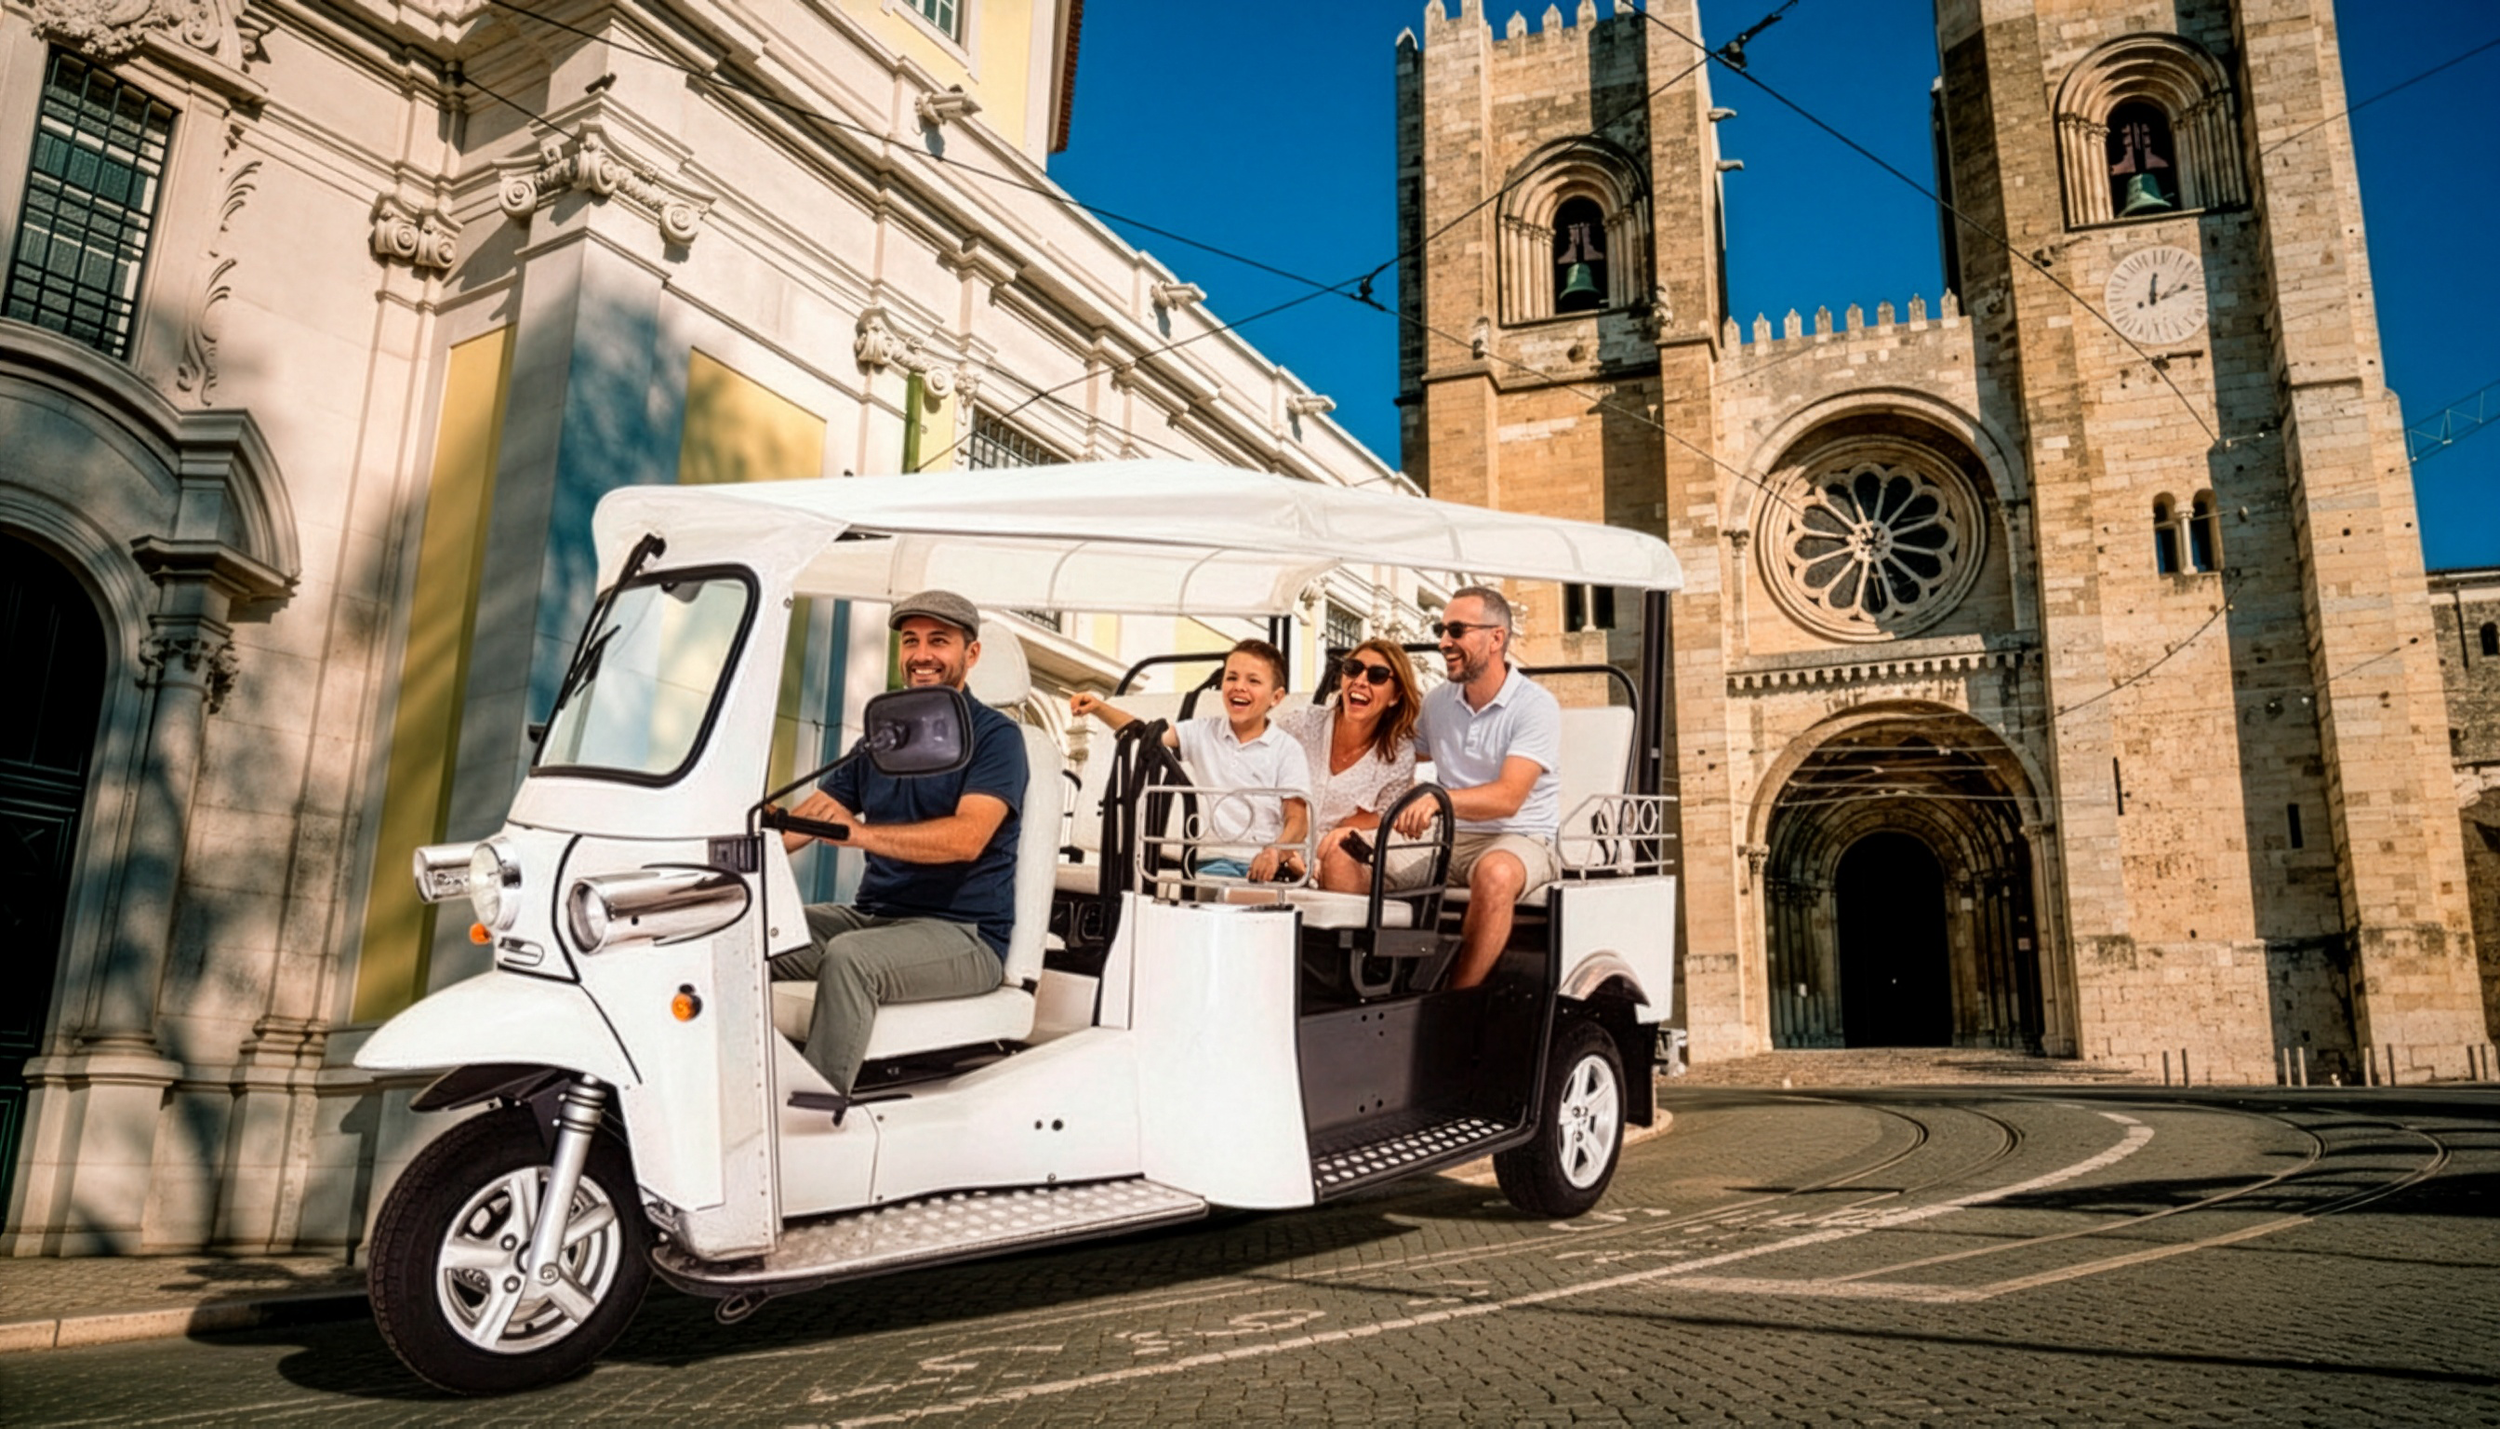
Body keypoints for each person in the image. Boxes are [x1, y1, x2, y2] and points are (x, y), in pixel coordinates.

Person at [769, 590, 1026, 1101]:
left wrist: (859, 833)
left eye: (939, 641)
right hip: (876, 918)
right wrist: (738, 849)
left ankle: (815, 1112)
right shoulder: (883, 737)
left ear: (970, 655)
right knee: (748, 931)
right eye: (911, 641)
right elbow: (807, 820)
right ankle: (743, 1093)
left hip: (965, 934)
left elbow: (966, 838)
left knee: (850, 958)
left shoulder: (999, 737)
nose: (922, 655)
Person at [1393, 586, 1561, 989]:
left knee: (1495, 874)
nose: (1443, 641)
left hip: (1521, 837)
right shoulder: (1438, 703)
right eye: (1441, 628)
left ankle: (1459, 1000)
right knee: (1347, 862)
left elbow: (1508, 798)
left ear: (1496, 638)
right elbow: (1395, 757)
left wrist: (1437, 798)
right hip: (1450, 838)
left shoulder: (1535, 706)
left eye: (1456, 630)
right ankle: (1382, 988)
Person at [1071, 638, 1311, 882]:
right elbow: (1147, 733)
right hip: (1210, 863)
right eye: (1231, 678)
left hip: (1263, 866)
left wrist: (1275, 853)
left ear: (1276, 697)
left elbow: (1298, 820)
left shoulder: (1286, 750)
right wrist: (1099, 708)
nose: (1239, 686)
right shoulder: (1203, 732)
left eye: (1253, 681)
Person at [1282, 636, 1424, 894]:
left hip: (1332, 864)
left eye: (1377, 675)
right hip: (1275, 851)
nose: (1360, 680)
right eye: (1352, 669)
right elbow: (1258, 776)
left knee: (1343, 854)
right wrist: (1283, 849)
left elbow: (1384, 816)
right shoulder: (1302, 725)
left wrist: (1344, 829)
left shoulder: (1397, 755)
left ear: (1395, 697)